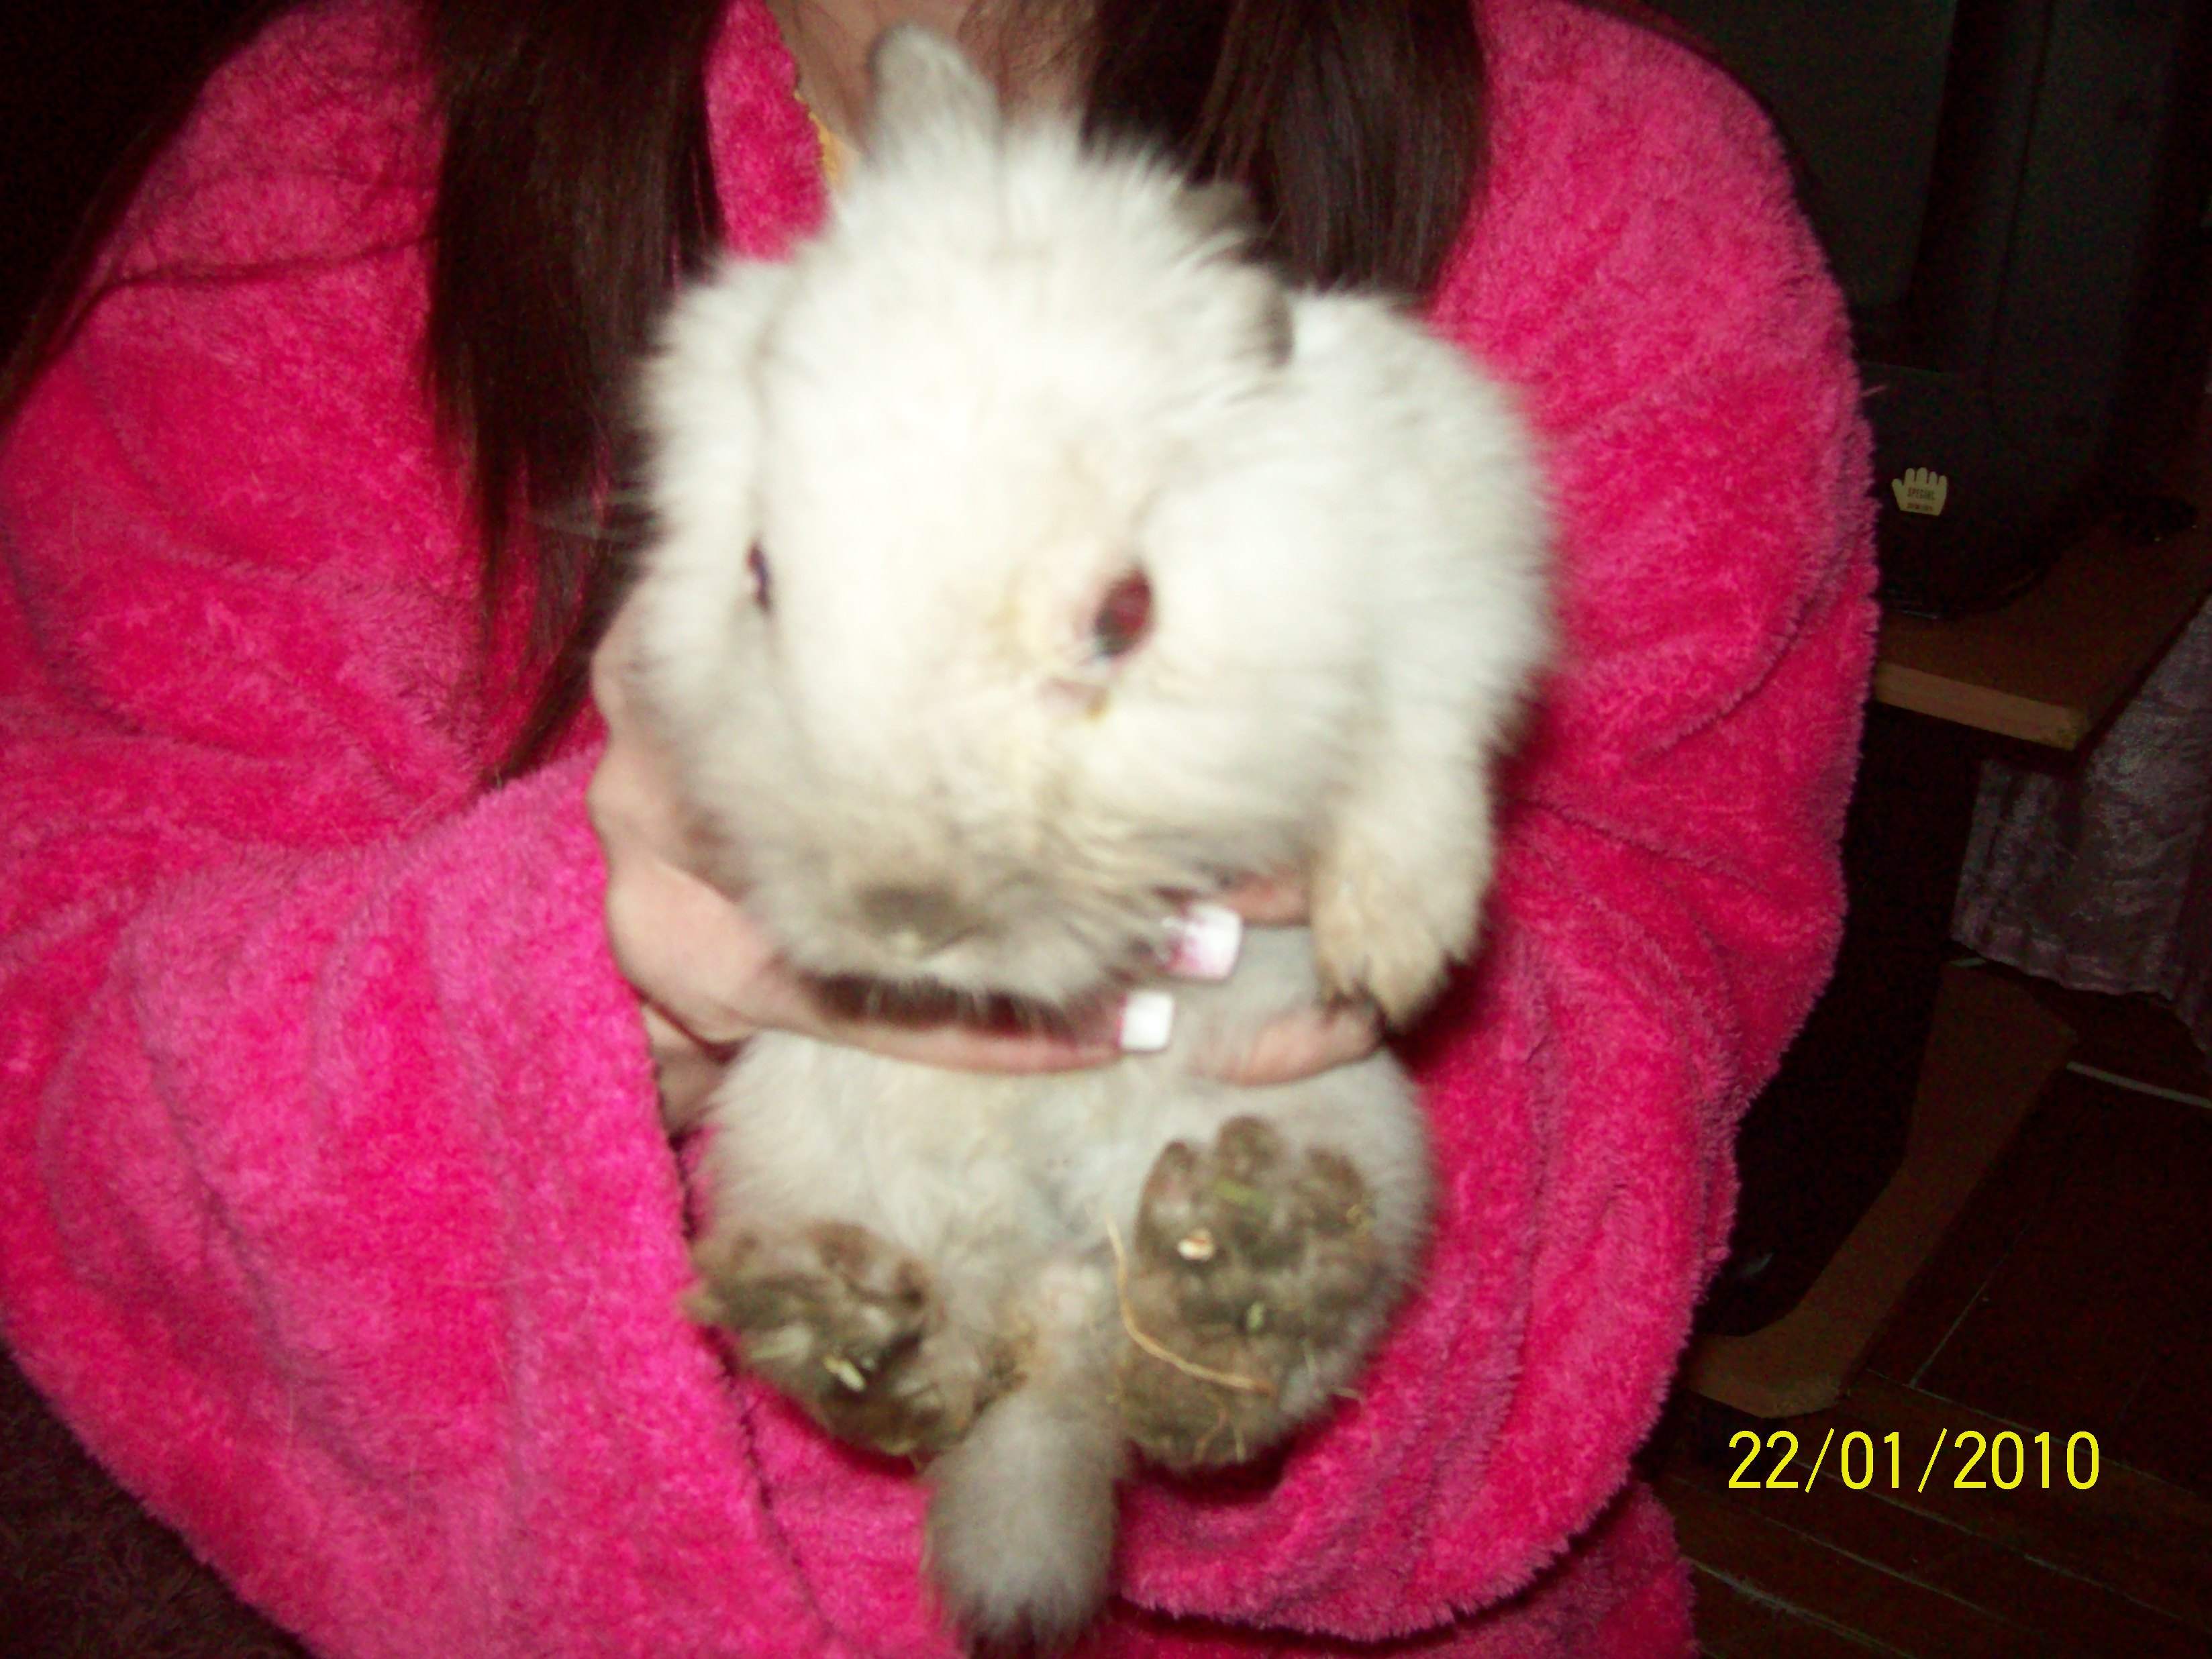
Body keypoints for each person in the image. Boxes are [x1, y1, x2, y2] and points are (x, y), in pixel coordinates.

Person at [0, 0, 1876, 1654]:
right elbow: (69, 981)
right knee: (816, 1126)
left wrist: (1368, 857)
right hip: (545, 1575)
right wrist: (584, 979)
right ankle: (904, 1322)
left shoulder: (1605, 193)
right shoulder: (338, 152)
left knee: (1285, 1120)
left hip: (1307, 1482)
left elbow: (1645, 993)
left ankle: (1219, 1329)